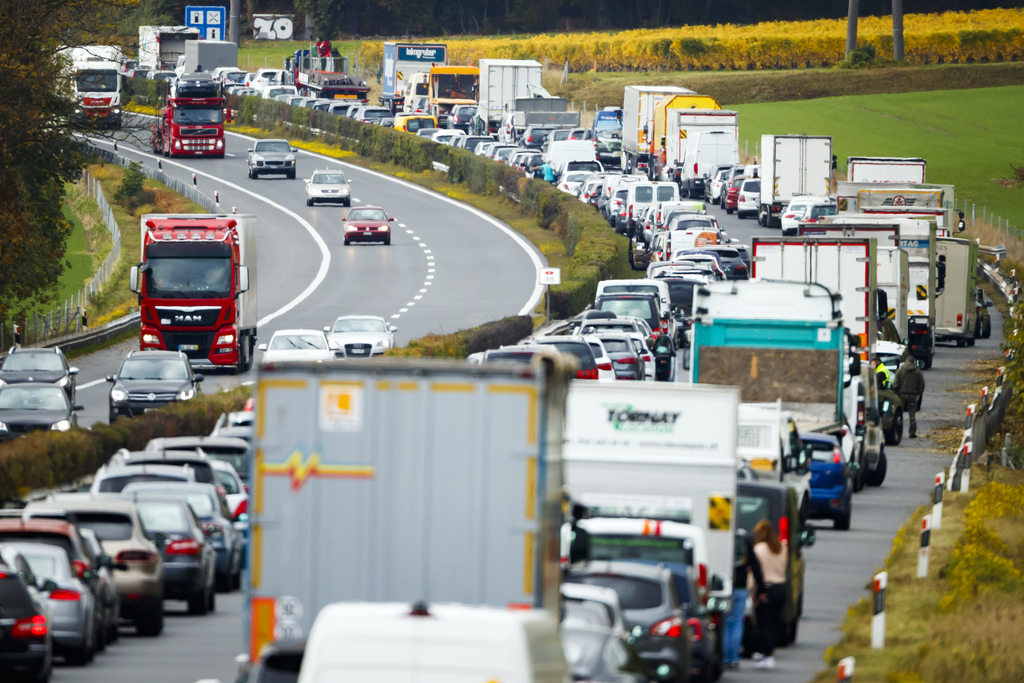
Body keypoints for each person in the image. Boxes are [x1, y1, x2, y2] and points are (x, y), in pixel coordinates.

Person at [724, 530, 764, 669]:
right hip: (740, 587)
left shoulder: (722, 536)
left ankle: (724, 657)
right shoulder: (744, 539)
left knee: (725, 623)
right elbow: (755, 565)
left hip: (723, 586)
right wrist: (761, 588)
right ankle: (734, 657)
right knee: (736, 622)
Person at [752, 520, 787, 669]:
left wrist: (753, 592)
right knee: (773, 623)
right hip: (781, 588)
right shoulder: (781, 547)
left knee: (763, 624)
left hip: (766, 589)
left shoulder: (759, 549)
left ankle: (768, 655)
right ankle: (765, 652)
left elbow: (754, 572)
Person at [893, 351, 926, 438]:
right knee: (912, 415)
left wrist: (895, 393)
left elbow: (896, 383)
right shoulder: (918, 372)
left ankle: (898, 431)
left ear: (906, 361)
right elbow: (921, 384)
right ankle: (912, 432)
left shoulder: (900, 371)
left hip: (901, 395)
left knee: (899, 414)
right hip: (913, 396)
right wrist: (919, 392)